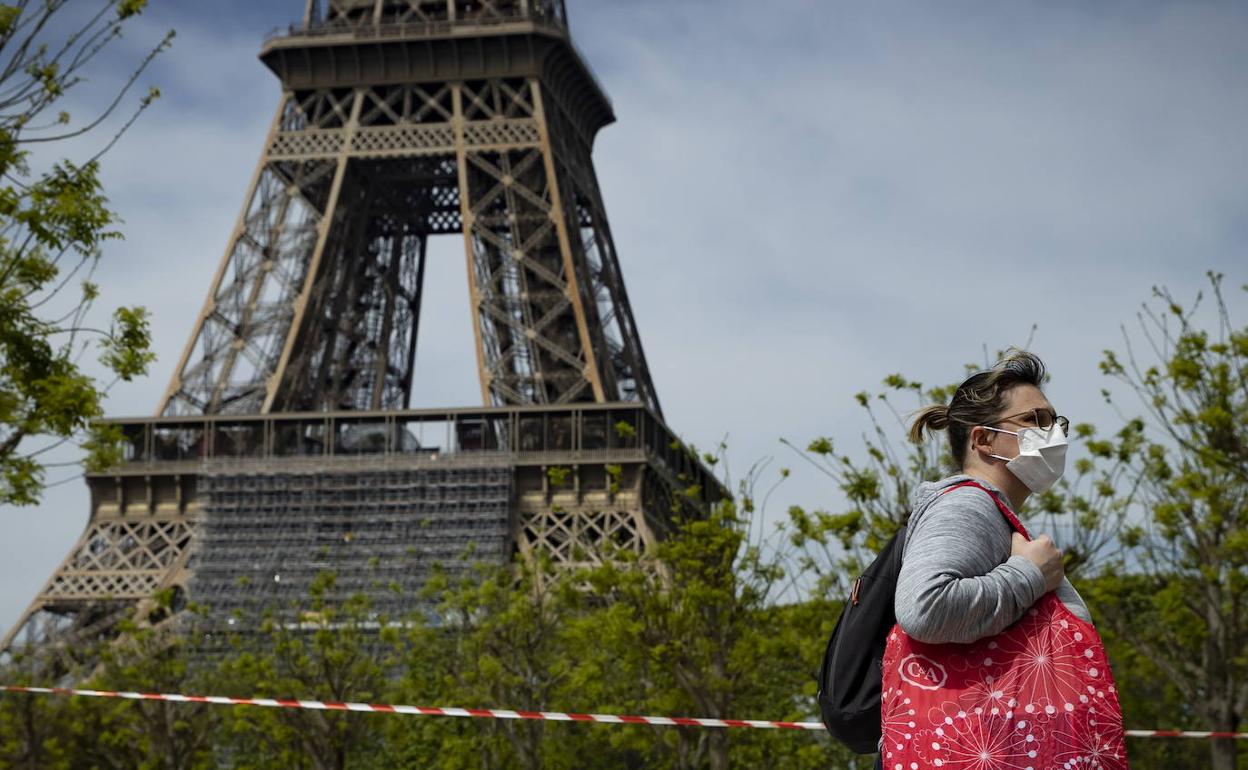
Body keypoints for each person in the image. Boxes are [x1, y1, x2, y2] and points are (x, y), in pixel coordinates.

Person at [876, 350, 1127, 769]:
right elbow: (924, 608)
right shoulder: (968, 505)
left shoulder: (987, 509)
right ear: (983, 440)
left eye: (1056, 422)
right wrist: (1031, 573)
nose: (1053, 433)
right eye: (1034, 420)